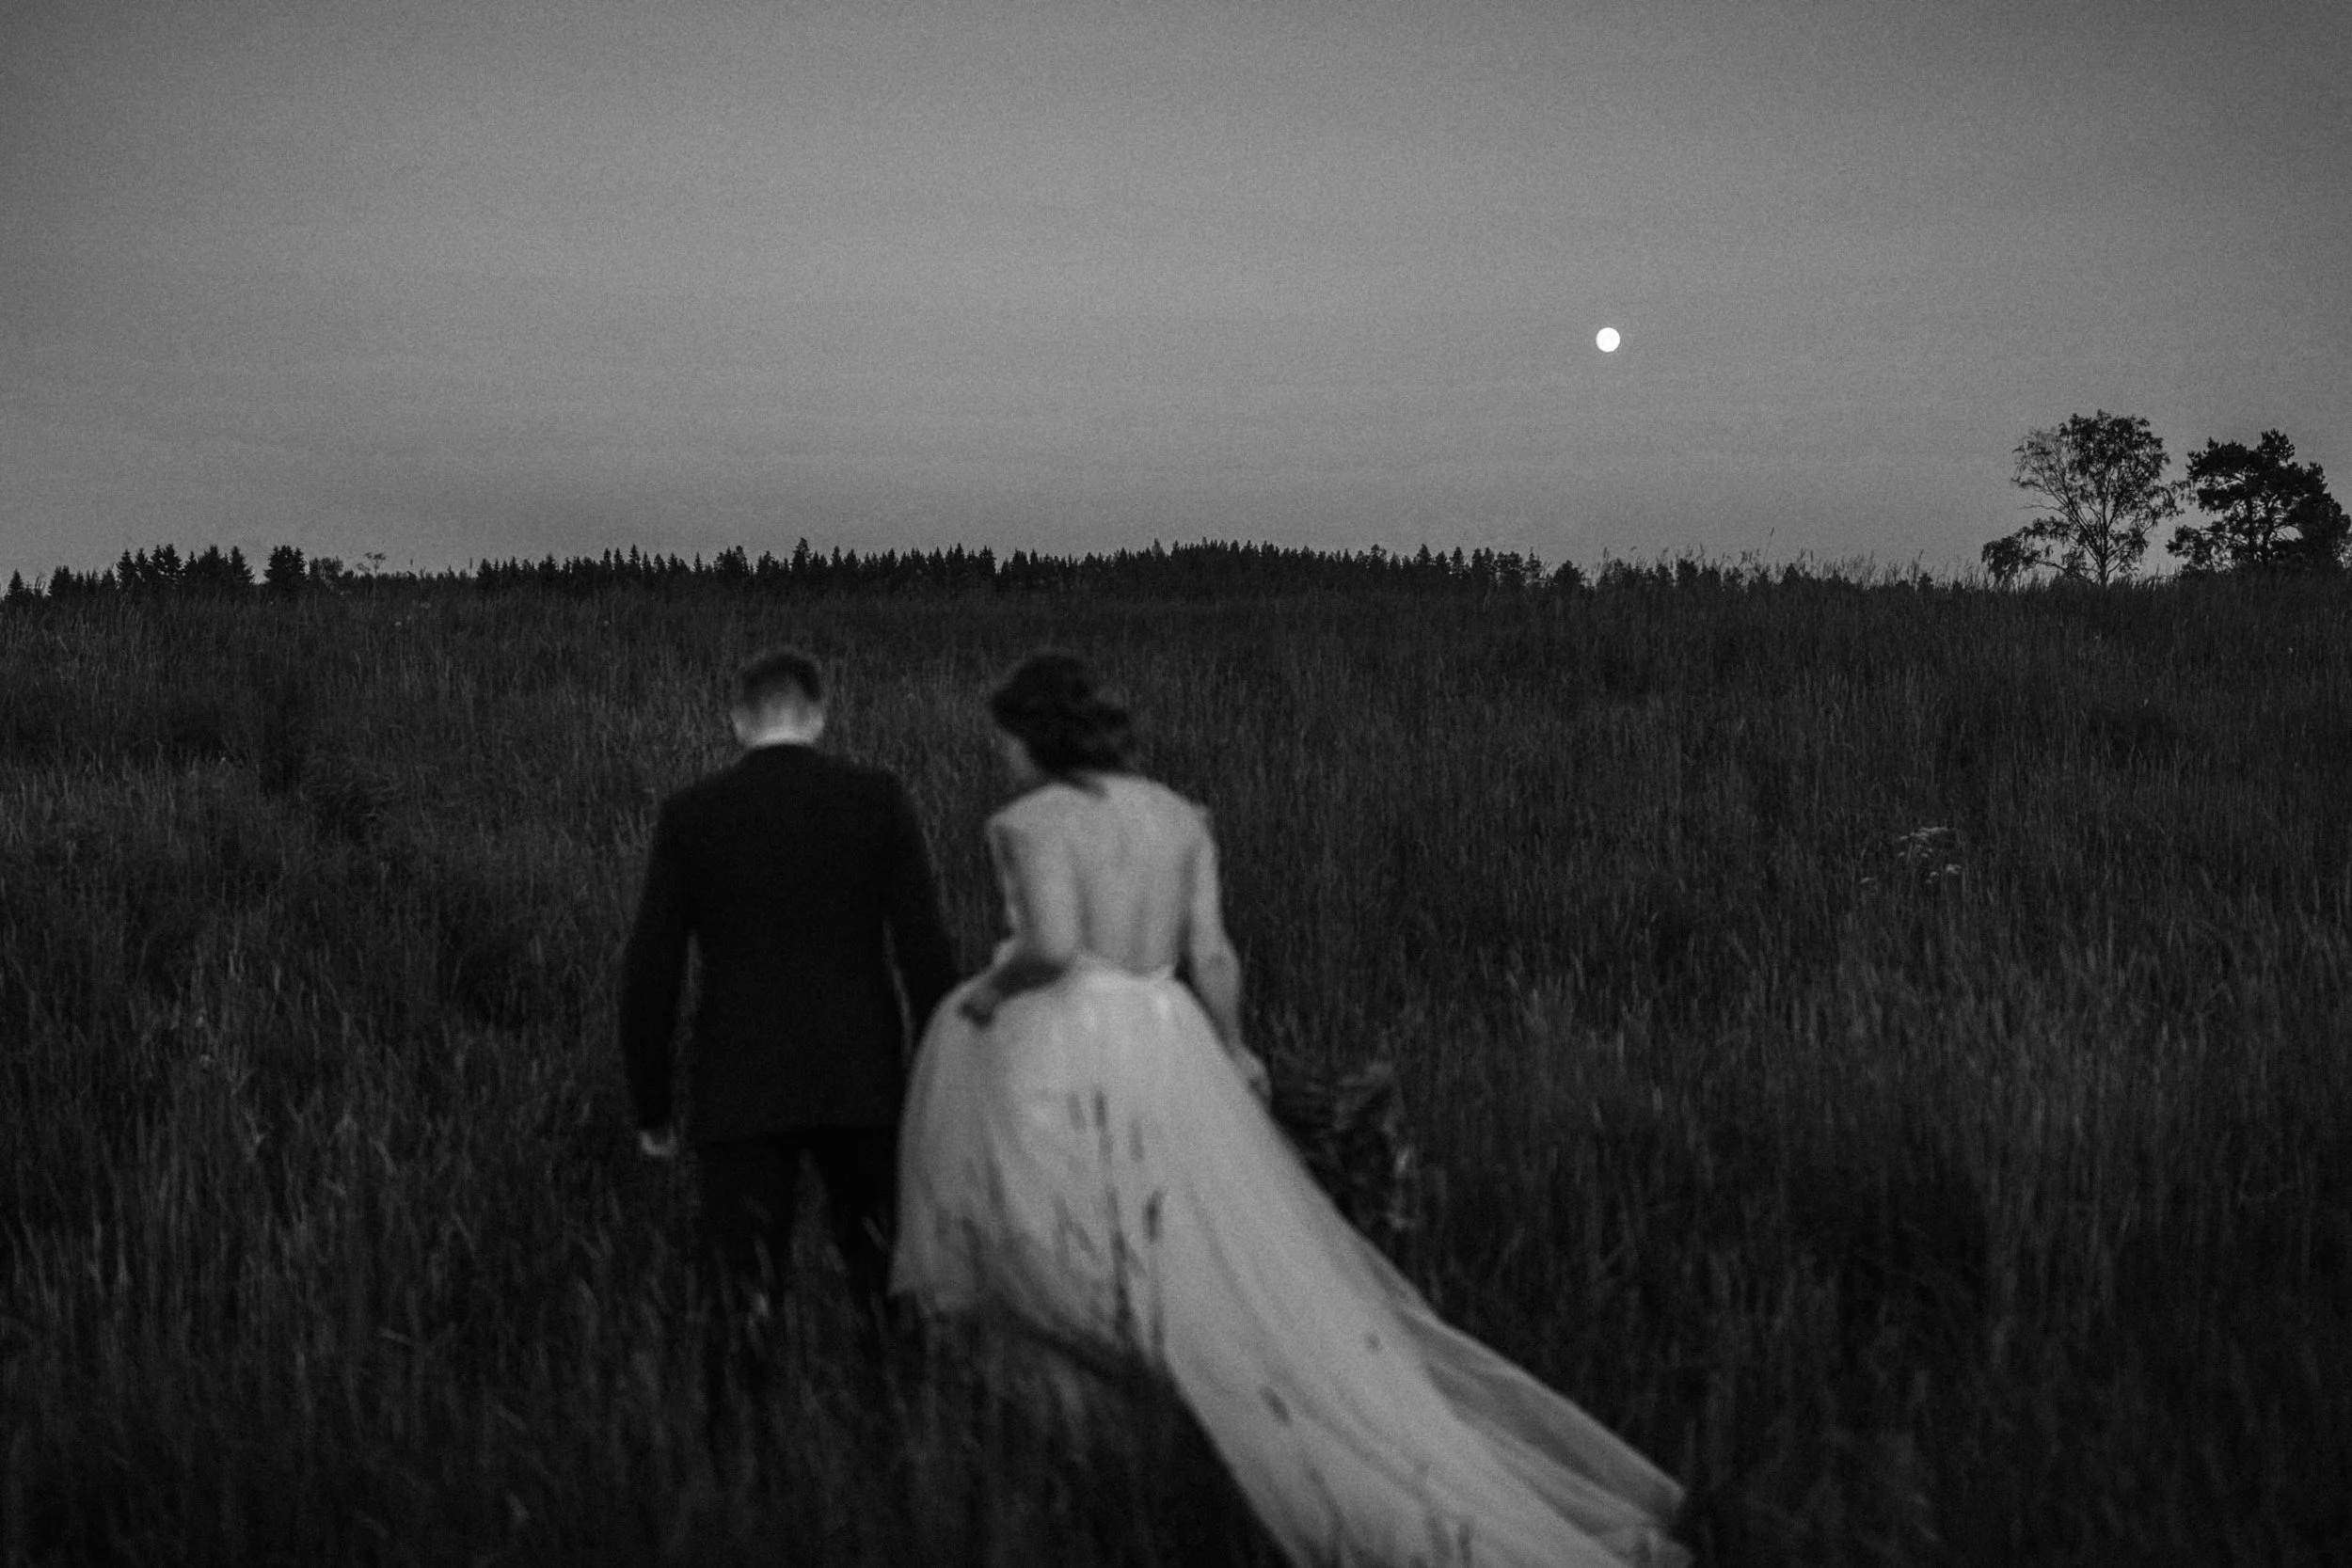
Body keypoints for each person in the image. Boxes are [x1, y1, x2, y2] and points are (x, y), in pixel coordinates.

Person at [893, 652, 1689, 1568]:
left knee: (1037, 1228)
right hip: (1167, 1028)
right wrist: (1230, 1051)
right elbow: (1216, 954)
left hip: (1069, 1036)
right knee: (1193, 1235)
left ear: (1031, 734)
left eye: (1005, 738)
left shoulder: (1027, 820)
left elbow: (1052, 945)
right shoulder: (1181, 817)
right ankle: (1191, 1401)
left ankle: (1115, 1419)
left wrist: (990, 993)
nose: (1001, 757)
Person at [619, 647, 958, 1434]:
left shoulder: (692, 815)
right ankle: (898, 1446)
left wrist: (652, 1103)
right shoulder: (876, 800)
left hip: (741, 1085)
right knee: (884, 1279)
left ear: (739, 720)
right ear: (818, 714)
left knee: (739, 1293)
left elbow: (651, 968)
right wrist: (938, 1077)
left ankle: (744, 1462)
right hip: (862, 1079)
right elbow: (925, 948)